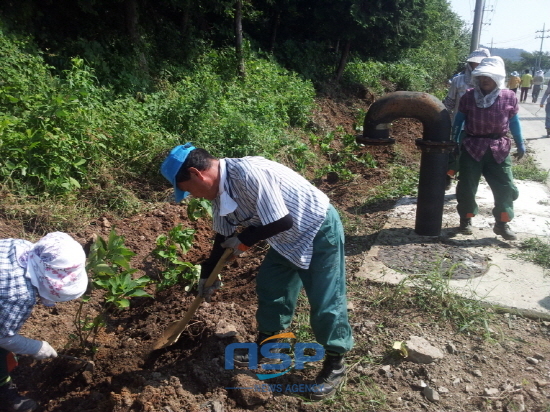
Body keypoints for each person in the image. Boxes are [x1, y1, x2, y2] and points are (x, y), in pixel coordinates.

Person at [161, 144, 353, 400]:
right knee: (271, 285)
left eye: (188, 190)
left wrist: (245, 239)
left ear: (197, 174)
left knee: (325, 300)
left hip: (316, 228)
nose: (192, 196)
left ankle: (335, 362)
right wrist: (208, 271)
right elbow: (223, 234)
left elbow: (282, 220)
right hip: (284, 239)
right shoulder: (218, 192)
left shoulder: (247, 174)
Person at [0, 232, 88, 412]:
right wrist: (35, 347)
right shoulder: (18, 296)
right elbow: (2, 337)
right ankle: (5, 393)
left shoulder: (20, 247)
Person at [453, 56, 525, 241]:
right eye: (482, 76)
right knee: (467, 186)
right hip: (472, 146)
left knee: (506, 187)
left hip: (498, 148)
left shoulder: (508, 96)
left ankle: (502, 223)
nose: (484, 80)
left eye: (489, 76)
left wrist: (520, 143)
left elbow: (514, 122)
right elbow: (459, 121)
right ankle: (466, 219)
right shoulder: (469, 96)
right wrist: (453, 142)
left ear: (498, 78)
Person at [443, 48, 491, 190]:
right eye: (474, 63)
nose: (477, 66)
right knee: (454, 155)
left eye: (481, 63)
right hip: (460, 127)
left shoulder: (492, 84)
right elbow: (449, 103)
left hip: (480, 129)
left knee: (472, 160)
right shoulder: (459, 81)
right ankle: (448, 177)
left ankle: (466, 188)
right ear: (470, 64)